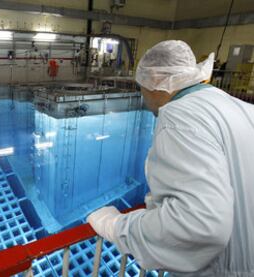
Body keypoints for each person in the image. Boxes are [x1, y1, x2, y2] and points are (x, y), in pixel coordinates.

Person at [87, 40, 254, 277]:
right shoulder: (240, 107)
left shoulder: (179, 117)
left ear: (155, 81)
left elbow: (198, 225)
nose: (143, 97)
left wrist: (116, 227)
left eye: (141, 87)